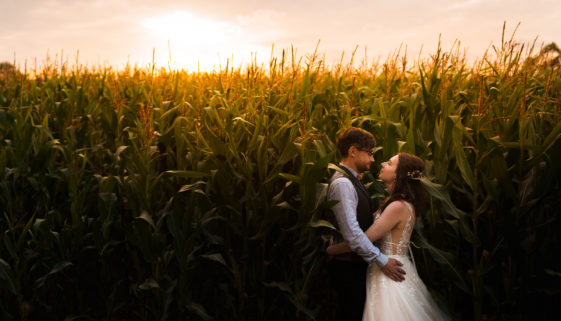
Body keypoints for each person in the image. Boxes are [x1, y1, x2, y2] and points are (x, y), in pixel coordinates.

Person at [327, 152, 449, 321]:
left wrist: (332, 249)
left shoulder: (397, 206)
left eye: (390, 163)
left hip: (389, 270)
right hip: (387, 266)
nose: (382, 164)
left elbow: (364, 238)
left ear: (398, 175)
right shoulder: (395, 202)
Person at [327, 127, 406, 321]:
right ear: (353, 151)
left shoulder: (353, 181)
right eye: (369, 153)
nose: (372, 159)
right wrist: (382, 260)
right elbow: (353, 234)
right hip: (348, 268)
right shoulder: (343, 184)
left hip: (356, 264)